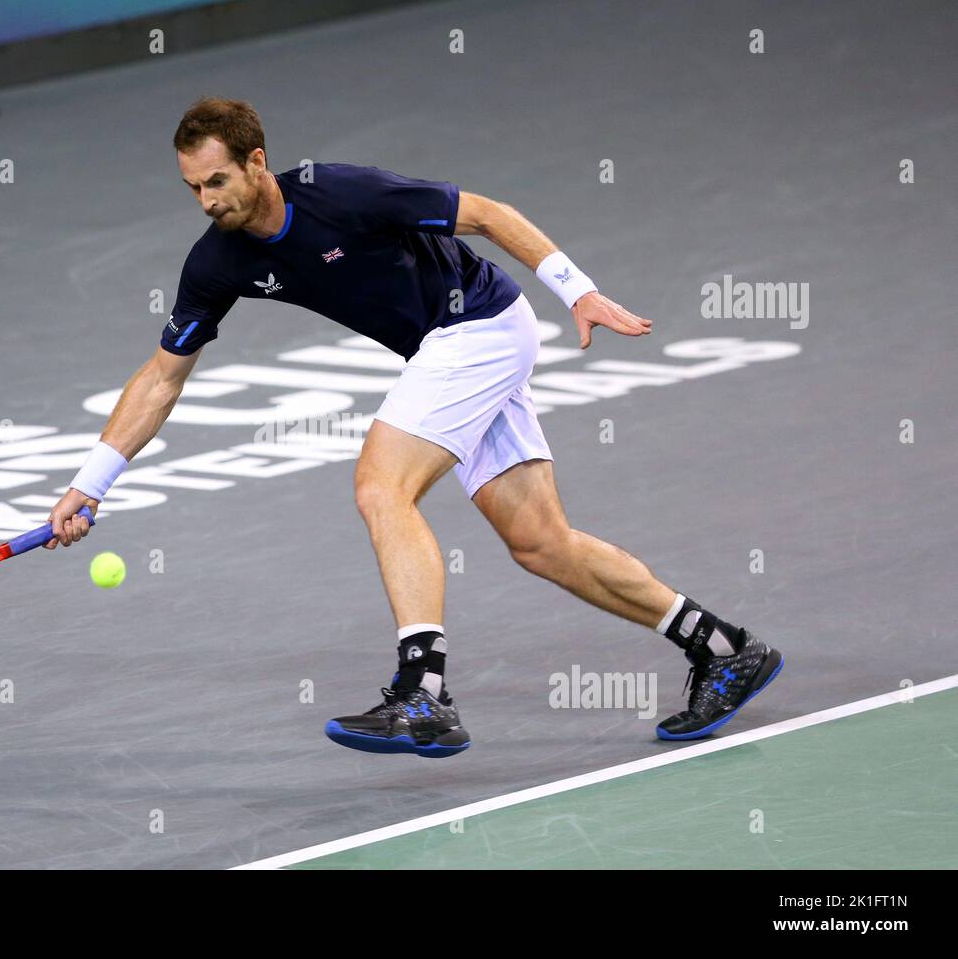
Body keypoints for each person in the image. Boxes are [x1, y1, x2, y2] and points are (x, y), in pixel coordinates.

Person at [45, 97, 783, 757]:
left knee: (379, 487)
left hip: (479, 326)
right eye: (193, 189)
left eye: (216, 182)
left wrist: (578, 292)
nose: (206, 202)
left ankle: (423, 691)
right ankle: (722, 648)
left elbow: (487, 214)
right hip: (453, 347)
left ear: (256, 163)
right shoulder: (218, 261)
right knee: (541, 544)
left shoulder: (343, 192)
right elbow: (164, 375)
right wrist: (91, 484)